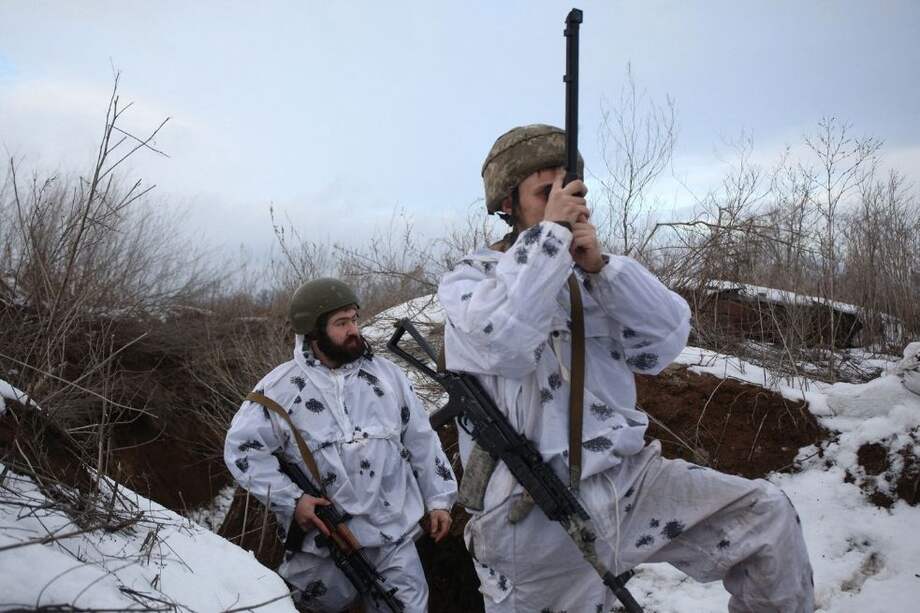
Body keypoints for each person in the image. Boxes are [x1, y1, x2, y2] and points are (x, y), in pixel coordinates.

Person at [437, 124, 814, 612]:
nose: (565, 202)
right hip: (532, 511)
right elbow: (506, 341)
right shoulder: (471, 282)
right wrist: (549, 239)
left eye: (570, 190)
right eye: (545, 192)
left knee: (765, 518)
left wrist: (601, 268)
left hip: (629, 483)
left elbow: (664, 342)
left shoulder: (595, 274)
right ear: (507, 203)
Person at [225, 278, 457, 612]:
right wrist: (294, 501)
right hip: (323, 545)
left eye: (354, 319)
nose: (353, 330)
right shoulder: (279, 390)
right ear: (313, 332)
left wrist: (439, 499)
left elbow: (421, 439)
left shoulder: (388, 378)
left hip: (395, 540)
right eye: (341, 323)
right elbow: (242, 450)